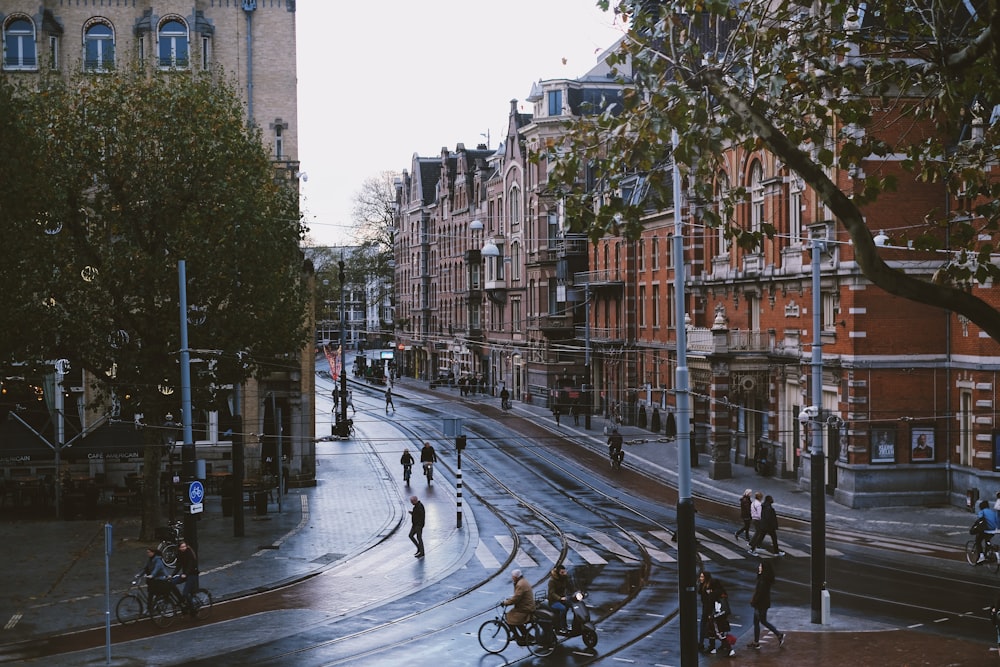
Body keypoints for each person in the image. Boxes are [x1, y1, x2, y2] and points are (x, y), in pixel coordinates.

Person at [749, 559, 786, 649]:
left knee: (761, 621)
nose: (759, 568)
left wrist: (754, 601)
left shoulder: (762, 580)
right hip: (763, 603)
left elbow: (759, 593)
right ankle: (756, 642)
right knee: (758, 621)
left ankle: (778, 634)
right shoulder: (765, 578)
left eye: (760, 566)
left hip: (760, 604)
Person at [502, 569, 535, 645]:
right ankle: (527, 635)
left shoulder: (520, 584)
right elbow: (518, 596)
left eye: (513, 576)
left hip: (525, 608)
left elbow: (516, 598)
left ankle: (517, 637)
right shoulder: (523, 581)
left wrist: (506, 602)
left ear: (516, 577)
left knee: (509, 617)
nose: (512, 578)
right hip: (526, 605)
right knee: (517, 620)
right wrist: (510, 600)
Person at [174, 540, 199, 613]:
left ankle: (192, 609)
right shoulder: (179, 554)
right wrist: (172, 575)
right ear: (179, 548)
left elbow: (190, 565)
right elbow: (178, 566)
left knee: (185, 592)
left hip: (192, 574)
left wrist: (186, 574)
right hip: (185, 574)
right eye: (182, 547)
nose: (183, 548)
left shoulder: (189, 553)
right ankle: (181, 600)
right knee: (172, 582)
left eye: (184, 546)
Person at [547, 564, 573, 633]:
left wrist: (577, 591)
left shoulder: (564, 578)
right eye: (562, 572)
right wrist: (560, 598)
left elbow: (570, 586)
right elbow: (552, 593)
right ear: (558, 572)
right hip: (553, 601)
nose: (564, 574)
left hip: (562, 598)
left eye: (564, 572)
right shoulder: (552, 581)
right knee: (563, 608)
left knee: (572, 605)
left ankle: (568, 625)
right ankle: (561, 627)